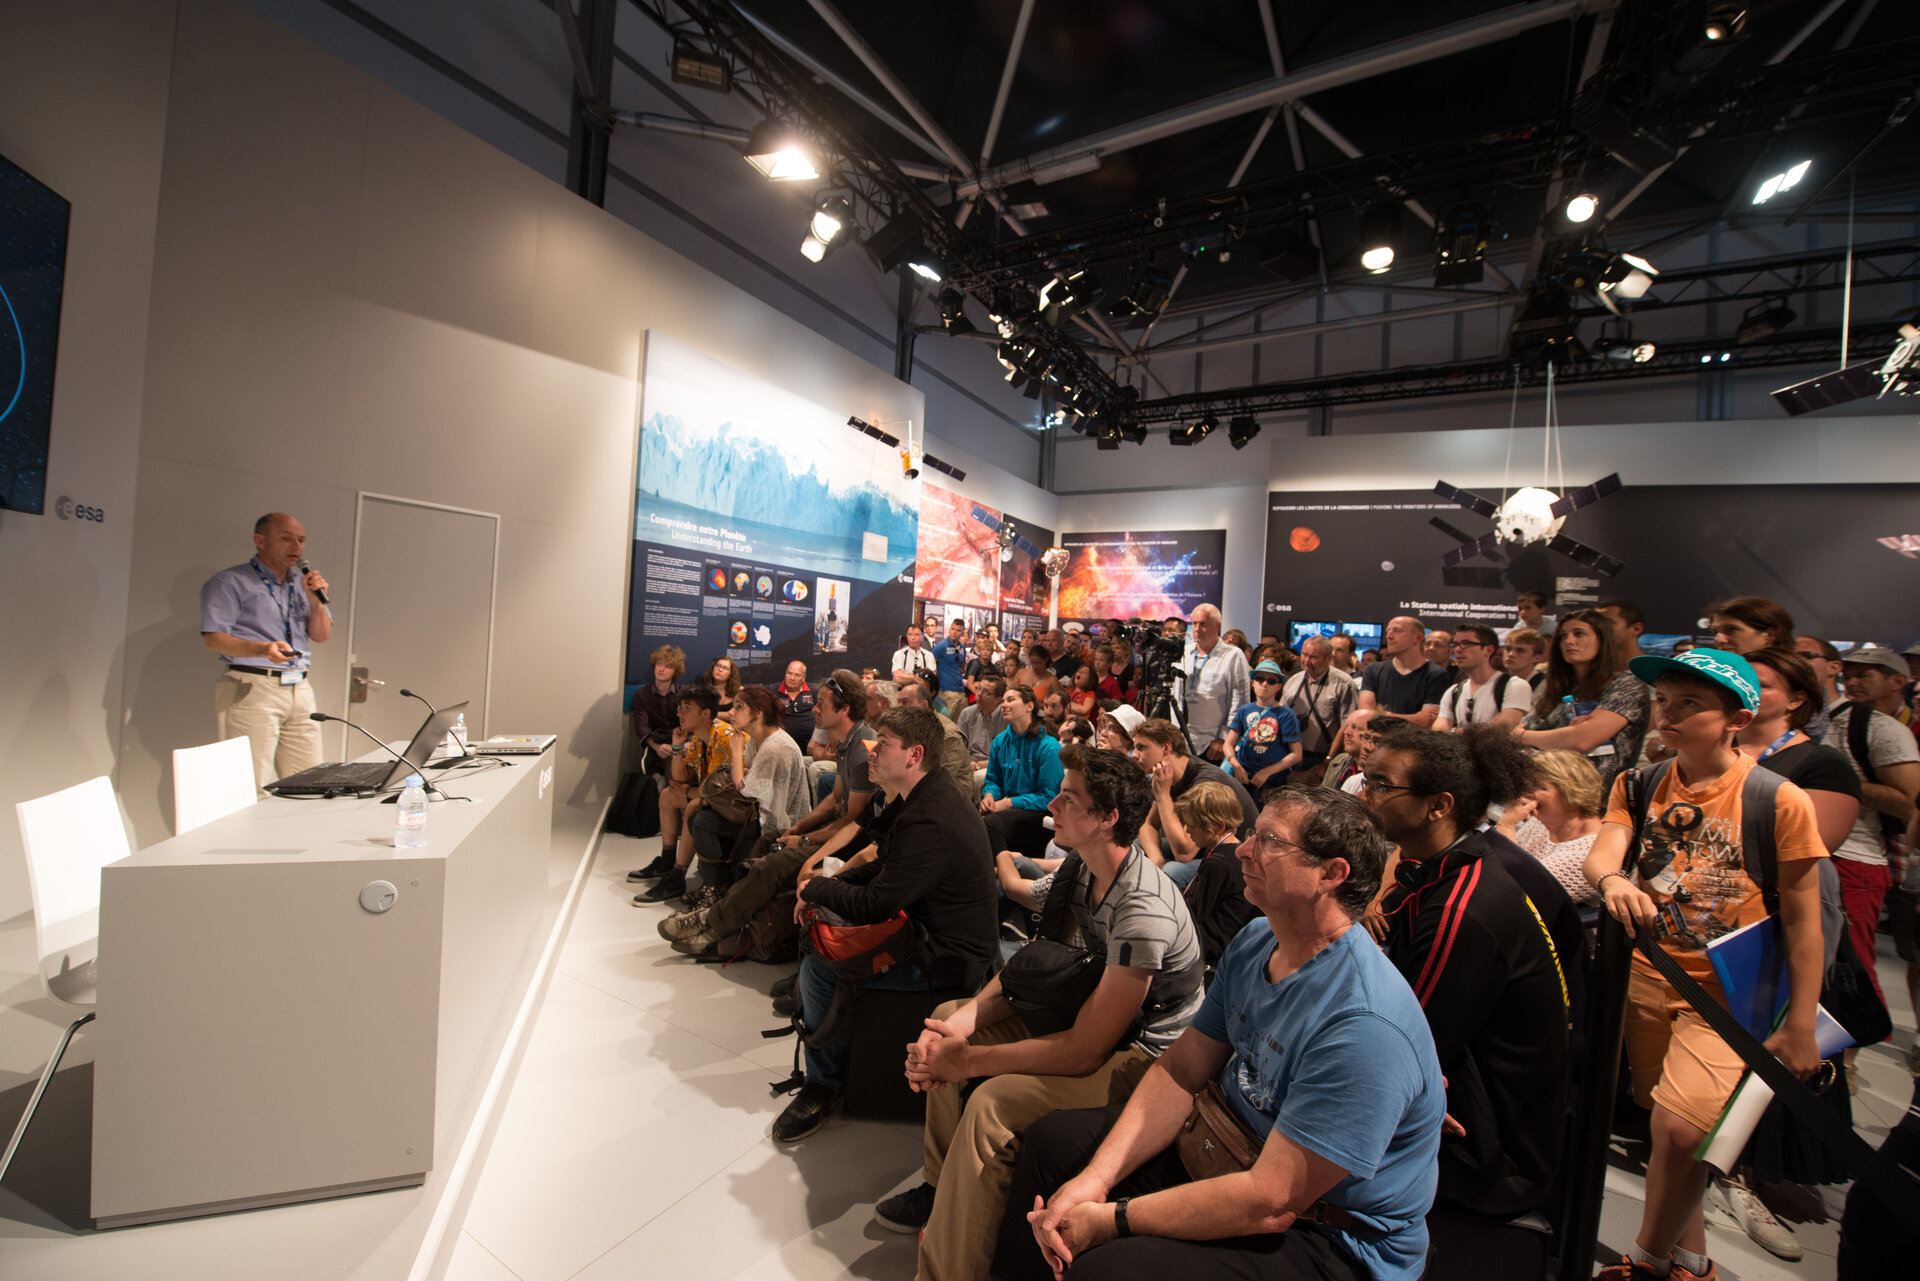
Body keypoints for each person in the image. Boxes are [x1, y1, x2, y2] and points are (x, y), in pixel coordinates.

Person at [994, 786, 1443, 1281]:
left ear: (1331, 874)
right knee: (1054, 1144)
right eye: (1253, 834)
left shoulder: (1364, 1026)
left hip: (1333, 1237)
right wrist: (1095, 1183)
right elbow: (1183, 1069)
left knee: (1112, 1268)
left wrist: (1112, 1219)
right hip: (1229, 1147)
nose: (1244, 849)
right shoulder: (1257, 939)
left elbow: (1270, 1201)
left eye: (1270, 841)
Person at [880, 746, 1206, 1281]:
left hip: (1146, 1055)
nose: (1052, 802)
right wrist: (960, 1031)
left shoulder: (1142, 909)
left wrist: (970, 1062)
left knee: (991, 1105)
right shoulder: (1083, 867)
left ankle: (944, 1271)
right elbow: (1034, 967)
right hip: (1092, 1009)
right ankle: (941, 1191)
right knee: (945, 1017)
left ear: (1107, 819)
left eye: (1068, 797)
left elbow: (1086, 1051)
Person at [1582, 648, 1827, 1281]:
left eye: (1690, 703)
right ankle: (1692, 1262)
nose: (1668, 713)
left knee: (1683, 1130)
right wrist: (1612, 878)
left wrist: (1801, 1022)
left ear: (1737, 718)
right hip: (1648, 976)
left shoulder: (1778, 799)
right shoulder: (1638, 782)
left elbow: (1805, 918)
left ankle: (1647, 1261)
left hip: (1729, 994)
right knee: (1669, 1132)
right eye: (1664, 699)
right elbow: (1604, 852)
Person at [1362, 724, 1570, 1219]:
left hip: (1491, 1156)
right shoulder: (1443, 867)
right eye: (1367, 780)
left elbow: (1412, 1045)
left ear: (1440, 805)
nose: (1367, 796)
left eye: (1382, 786)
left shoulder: (1464, 909)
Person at [771, 706, 1000, 1143]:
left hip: (946, 958)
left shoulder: (930, 816)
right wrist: (826, 881)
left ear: (914, 755)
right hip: (923, 932)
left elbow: (878, 902)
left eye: (884, 744)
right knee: (822, 942)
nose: (871, 752)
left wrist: (818, 890)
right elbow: (883, 869)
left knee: (819, 971)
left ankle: (825, 1085)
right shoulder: (925, 797)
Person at [1715, 646, 1864, 1257]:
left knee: (1766, 1064)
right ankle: (1715, 1173)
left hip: (1773, 936)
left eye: (1765, 685)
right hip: (1704, 936)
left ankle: (1751, 1182)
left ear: (1796, 698)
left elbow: (1809, 856)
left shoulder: (1819, 762)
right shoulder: (1710, 757)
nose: (1751, 695)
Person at [659, 671, 879, 954]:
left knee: (773, 861)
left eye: (821, 703)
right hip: (827, 833)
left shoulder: (862, 749)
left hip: (849, 843)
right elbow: (835, 800)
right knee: (767, 844)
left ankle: (712, 923)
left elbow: (853, 822)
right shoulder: (846, 742)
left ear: (844, 709)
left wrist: (805, 839)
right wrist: (797, 830)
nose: (814, 708)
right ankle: (732, 917)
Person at [1822, 646, 1920, 1038]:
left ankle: (1854, 1051)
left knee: (1859, 961)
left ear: (1898, 681)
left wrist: (1836, 783)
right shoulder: (1834, 721)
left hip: (1873, 855)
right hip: (1856, 851)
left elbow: (1909, 800)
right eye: (1852, 672)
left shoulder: (1887, 728)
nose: (1854, 680)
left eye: (1868, 674)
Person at [200, 512, 333, 789]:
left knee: (309, 783)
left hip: (300, 688)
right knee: (249, 785)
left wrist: (315, 601)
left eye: (301, 540)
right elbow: (214, 638)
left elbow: (321, 635)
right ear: (259, 541)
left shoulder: (302, 584)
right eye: (286, 539)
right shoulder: (230, 582)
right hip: (253, 686)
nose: (296, 547)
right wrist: (263, 649)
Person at [684, 685, 811, 900]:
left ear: (758, 713)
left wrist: (735, 752)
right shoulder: (757, 739)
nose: (731, 712)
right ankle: (715, 885)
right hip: (758, 811)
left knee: (702, 822)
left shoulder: (775, 746)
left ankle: (713, 890)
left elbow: (743, 788)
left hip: (775, 824)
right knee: (698, 814)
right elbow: (747, 772)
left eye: (739, 707)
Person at [1516, 608, 1649, 795]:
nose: (1569, 641)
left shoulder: (1626, 685)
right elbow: (1521, 730)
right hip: (1545, 795)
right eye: (1563, 636)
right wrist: (1555, 737)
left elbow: (1581, 740)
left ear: (1602, 640)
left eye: (1579, 634)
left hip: (1598, 802)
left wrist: (1525, 737)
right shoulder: (1557, 688)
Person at [631, 685, 740, 903]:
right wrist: (678, 748)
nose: (679, 714)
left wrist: (688, 791)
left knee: (692, 806)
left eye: (686, 709)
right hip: (716, 794)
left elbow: (720, 791)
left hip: (736, 801)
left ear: (705, 714)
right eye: (680, 708)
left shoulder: (723, 737)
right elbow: (678, 780)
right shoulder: (699, 736)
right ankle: (667, 860)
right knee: (667, 796)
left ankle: (677, 876)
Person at [1130, 718, 1260, 889]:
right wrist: (1156, 858)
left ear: (1166, 747)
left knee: (1172, 871)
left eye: (1142, 747)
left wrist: (1162, 795)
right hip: (1203, 846)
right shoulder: (1168, 774)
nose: (1134, 754)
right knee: (1134, 847)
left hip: (1235, 858)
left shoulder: (1204, 782)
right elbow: (1148, 824)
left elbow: (1183, 853)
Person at [1495, 749, 1606, 912]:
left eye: (1540, 787)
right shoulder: (1545, 822)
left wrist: (1506, 825)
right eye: (1528, 785)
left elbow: (1508, 893)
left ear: (1572, 793)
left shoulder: (1587, 852)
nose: (1527, 794)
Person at [1172, 780, 1262, 968]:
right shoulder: (1231, 853)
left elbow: (1196, 915)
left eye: (1192, 825)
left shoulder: (1217, 863)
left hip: (1213, 947)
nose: (1187, 831)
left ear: (1219, 826)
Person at [980, 686, 1064, 860]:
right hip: (1007, 807)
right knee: (968, 817)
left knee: (990, 825)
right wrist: (989, 795)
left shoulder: (1048, 746)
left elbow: (1049, 797)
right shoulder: (1000, 742)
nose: (1004, 705)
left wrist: (1009, 803)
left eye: (1010, 700)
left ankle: (1002, 873)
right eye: (1002, 701)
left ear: (1029, 706)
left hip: (1039, 813)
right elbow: (993, 780)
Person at [1220, 659, 1302, 801]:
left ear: (1278, 686)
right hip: (1243, 775)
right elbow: (1228, 743)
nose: (1264, 684)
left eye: (1271, 681)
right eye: (1260, 679)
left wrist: (1268, 772)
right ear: (1252, 682)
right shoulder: (1245, 710)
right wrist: (1235, 764)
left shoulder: (1285, 714)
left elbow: (1296, 754)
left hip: (1272, 780)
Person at [1279, 635, 1358, 778]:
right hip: (1289, 756)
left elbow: (1346, 725)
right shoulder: (1293, 681)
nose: (1307, 661)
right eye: (1304, 655)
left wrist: (1329, 760)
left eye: (1313, 657)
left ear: (1328, 658)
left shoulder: (1344, 683)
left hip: (1322, 759)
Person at [1179, 605, 1251, 761]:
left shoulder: (1233, 655)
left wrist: (1224, 738)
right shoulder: (1184, 653)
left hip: (1212, 745)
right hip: (1181, 742)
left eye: (1203, 624)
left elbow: (1240, 702)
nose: (1197, 629)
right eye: (1195, 624)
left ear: (1217, 626)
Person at [1434, 624, 1532, 731]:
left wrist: (1453, 730)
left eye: (1466, 643)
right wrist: (1485, 729)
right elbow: (1439, 732)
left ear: (1488, 650)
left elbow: (1501, 731)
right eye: (1456, 644)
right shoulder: (1453, 691)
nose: (1458, 649)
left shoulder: (1514, 686)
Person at [1356, 616, 1449, 728]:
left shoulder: (1436, 674)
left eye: (1397, 630)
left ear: (1418, 638)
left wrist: (1380, 714)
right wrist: (1411, 718)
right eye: (1388, 631)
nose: (1389, 636)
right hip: (1377, 742)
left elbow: (1426, 721)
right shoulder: (1373, 670)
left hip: (1413, 743)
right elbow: (1365, 715)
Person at [898, 673, 975, 797]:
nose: (900, 707)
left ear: (924, 705)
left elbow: (943, 778)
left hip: (951, 799)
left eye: (905, 702)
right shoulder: (908, 728)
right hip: (921, 792)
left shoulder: (948, 735)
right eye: (899, 702)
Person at [630, 644, 684, 788]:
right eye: (659, 664)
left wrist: (679, 745)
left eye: (667, 666)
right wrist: (657, 746)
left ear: (675, 671)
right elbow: (641, 727)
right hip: (655, 744)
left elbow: (689, 724)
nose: (661, 669)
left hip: (680, 742)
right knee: (653, 781)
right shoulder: (641, 695)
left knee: (675, 776)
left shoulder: (683, 694)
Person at [958, 675, 1009, 789]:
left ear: (998, 699)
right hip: (969, 762)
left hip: (994, 765)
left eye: (986, 692)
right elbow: (959, 747)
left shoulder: (1006, 718)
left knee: (978, 777)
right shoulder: (967, 713)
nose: (979, 694)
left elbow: (1006, 757)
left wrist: (977, 765)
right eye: (978, 688)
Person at [1708, 596, 1794, 655]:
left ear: (1769, 636)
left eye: (1731, 629)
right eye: (1716, 632)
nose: (1718, 639)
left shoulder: (1764, 679)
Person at [1793, 635, 1847, 711]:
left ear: (1833, 667)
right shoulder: (1781, 717)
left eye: (1806, 656)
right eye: (1790, 658)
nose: (1794, 663)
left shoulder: (1864, 717)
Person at [930, 618, 971, 717]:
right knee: (945, 721)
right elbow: (930, 665)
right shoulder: (941, 646)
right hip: (946, 690)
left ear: (962, 632)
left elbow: (962, 668)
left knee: (959, 724)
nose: (954, 632)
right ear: (949, 629)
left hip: (960, 691)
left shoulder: (962, 648)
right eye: (953, 629)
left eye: (958, 630)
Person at [774, 659, 816, 745]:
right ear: (785, 674)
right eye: (789, 673)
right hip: (780, 744)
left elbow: (825, 718)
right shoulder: (773, 691)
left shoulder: (814, 692)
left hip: (809, 745)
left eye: (797, 675)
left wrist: (816, 739)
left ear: (803, 678)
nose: (792, 678)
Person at [1599, 599, 1648, 663]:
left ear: (1636, 629)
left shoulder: (1656, 670)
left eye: (1608, 623)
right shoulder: (1588, 669)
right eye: (1595, 623)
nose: (1598, 628)